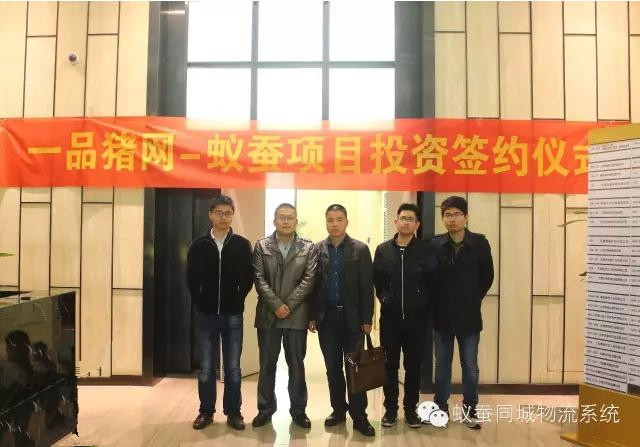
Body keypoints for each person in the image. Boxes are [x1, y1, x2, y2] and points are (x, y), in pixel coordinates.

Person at [186, 195, 254, 431]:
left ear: (232, 215)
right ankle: (206, 411)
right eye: (219, 213)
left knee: (233, 367)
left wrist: (237, 297)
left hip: (232, 314)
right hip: (206, 314)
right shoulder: (198, 245)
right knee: (206, 367)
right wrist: (200, 299)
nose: (223, 217)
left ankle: (233, 412)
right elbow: (191, 278)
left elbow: (248, 278)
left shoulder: (242, 245)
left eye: (228, 213)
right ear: (210, 214)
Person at [309, 204, 376, 437]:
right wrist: (312, 315)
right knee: (332, 368)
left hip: (353, 319)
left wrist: (367, 318)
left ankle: (359, 416)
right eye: (330, 220)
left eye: (339, 219)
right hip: (327, 318)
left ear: (346, 221)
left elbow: (367, 286)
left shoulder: (360, 249)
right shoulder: (317, 249)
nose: (335, 224)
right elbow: (312, 285)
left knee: (355, 368)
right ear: (326, 222)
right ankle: (338, 410)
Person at [252, 203, 318, 429]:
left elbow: (309, 279)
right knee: (267, 364)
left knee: (296, 365)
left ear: (296, 221)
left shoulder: (308, 247)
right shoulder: (262, 246)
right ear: (274, 221)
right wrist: (276, 305)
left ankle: (299, 411)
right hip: (268, 316)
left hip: (296, 316)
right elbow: (259, 278)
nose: (286, 221)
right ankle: (265, 409)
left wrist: (287, 305)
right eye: (282, 217)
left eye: (290, 217)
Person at [430, 196, 494, 429]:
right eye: (448, 215)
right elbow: (429, 278)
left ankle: (470, 410)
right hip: (442, 315)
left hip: (469, 316)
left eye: (457, 214)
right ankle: (440, 408)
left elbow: (487, 277)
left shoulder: (479, 243)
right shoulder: (434, 244)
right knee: (442, 366)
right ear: (443, 218)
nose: (452, 219)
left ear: (466, 217)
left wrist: (472, 298)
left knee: (470, 366)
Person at [373, 203, 437, 429]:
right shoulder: (383, 250)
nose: (406, 222)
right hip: (390, 319)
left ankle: (411, 410)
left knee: (413, 367)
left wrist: (422, 304)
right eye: (403, 218)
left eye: (411, 219)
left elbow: (433, 282)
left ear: (417, 224)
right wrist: (385, 298)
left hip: (417, 320)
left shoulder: (425, 250)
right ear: (396, 221)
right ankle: (390, 410)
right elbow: (378, 281)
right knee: (389, 366)